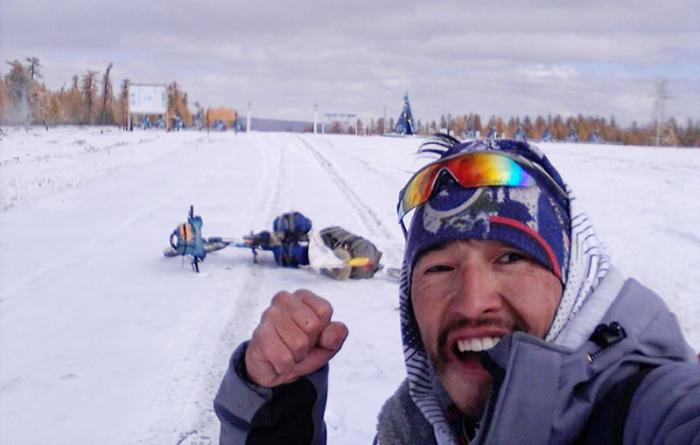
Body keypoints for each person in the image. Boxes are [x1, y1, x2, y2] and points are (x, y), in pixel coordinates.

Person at [213, 136, 700, 444]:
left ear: (572, 283)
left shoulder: (643, 408)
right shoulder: (412, 430)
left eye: (510, 258)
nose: (471, 301)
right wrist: (279, 414)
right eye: (440, 267)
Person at [247, 211, 383, 280]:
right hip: (331, 243)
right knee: (297, 246)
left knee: (296, 251)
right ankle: (268, 240)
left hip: (332, 245)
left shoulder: (366, 254)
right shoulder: (365, 254)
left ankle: (267, 241)